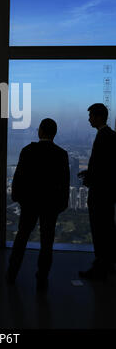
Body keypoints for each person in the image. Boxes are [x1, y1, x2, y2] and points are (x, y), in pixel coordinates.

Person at [6, 118, 70, 290]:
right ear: (54, 133)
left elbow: (18, 177)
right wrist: (62, 204)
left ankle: (12, 273)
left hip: (29, 203)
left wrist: (17, 197)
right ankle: (42, 279)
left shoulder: (28, 150)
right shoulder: (61, 154)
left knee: (22, 237)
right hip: (51, 204)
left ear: (40, 131)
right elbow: (64, 183)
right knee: (47, 242)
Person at [78, 103, 116, 280]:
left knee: (100, 229)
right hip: (107, 192)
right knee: (107, 229)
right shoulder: (110, 135)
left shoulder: (104, 137)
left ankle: (101, 266)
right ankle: (106, 264)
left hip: (100, 193)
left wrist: (90, 177)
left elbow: (102, 168)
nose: (89, 119)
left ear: (99, 117)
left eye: (91, 116)